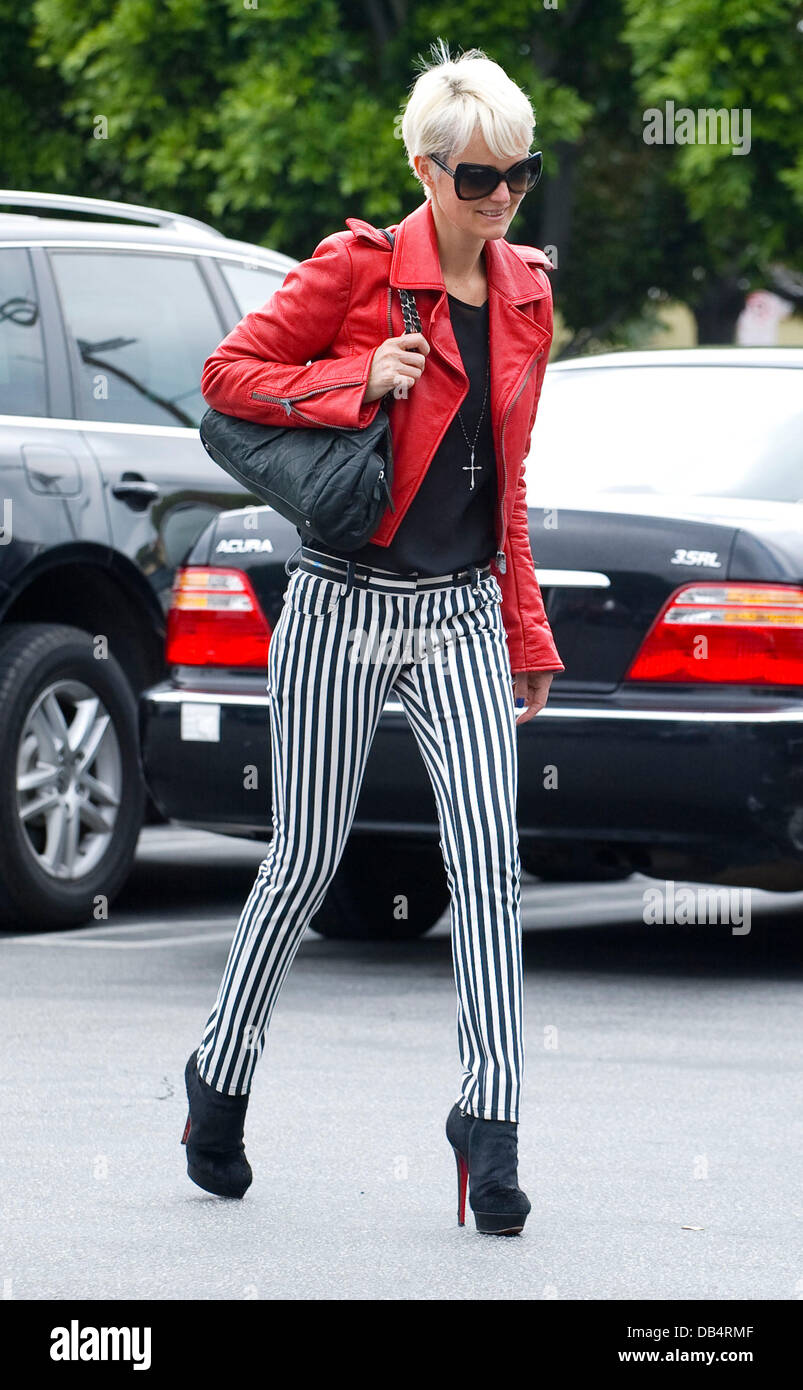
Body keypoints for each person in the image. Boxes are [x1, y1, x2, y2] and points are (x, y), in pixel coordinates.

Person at [181, 38, 564, 1236]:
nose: (498, 197)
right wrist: (358, 375)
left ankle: (489, 1124)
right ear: (423, 166)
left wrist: (526, 633)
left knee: (489, 868)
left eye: (517, 174)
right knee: (302, 860)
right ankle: (218, 1073)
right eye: (475, 177)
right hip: (343, 599)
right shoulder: (356, 268)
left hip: (455, 610)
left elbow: (505, 484)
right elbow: (228, 375)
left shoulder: (525, 294)